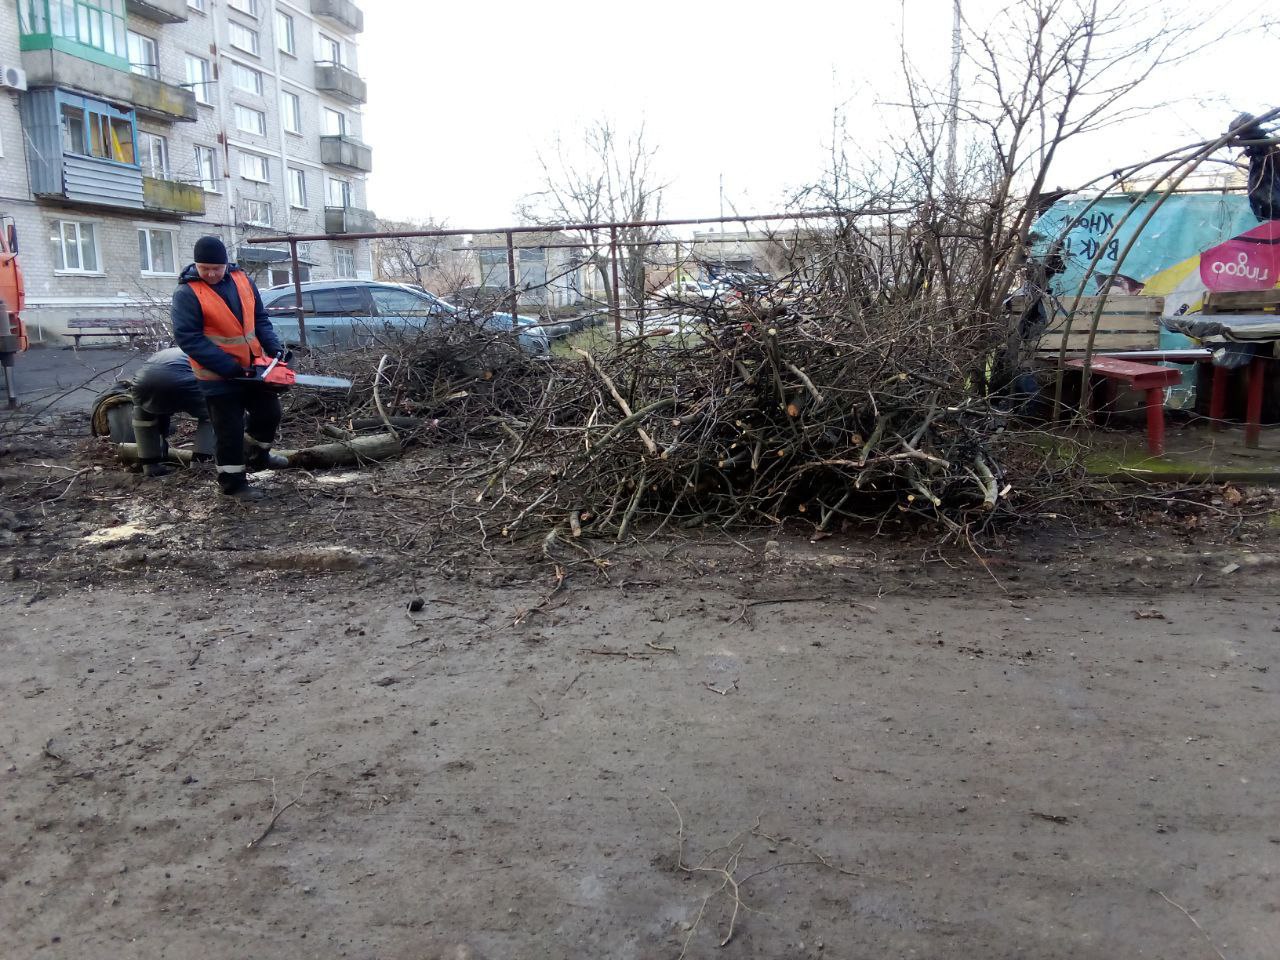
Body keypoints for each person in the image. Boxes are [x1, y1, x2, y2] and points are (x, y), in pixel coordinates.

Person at [172, 235, 287, 498]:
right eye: (205, 269)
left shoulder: (242, 280)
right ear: (196, 266)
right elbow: (189, 338)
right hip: (217, 375)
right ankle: (233, 483)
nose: (211, 274)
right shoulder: (187, 293)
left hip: (253, 368)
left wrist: (273, 347)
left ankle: (258, 455)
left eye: (216, 268)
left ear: (226, 264)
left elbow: (260, 318)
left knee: (269, 413)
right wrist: (228, 366)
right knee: (229, 429)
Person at [129, 347, 215, 477]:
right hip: (182, 381)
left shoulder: (169, 352)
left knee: (145, 416)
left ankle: (150, 465)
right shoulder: (208, 353)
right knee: (213, 415)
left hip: (142, 383)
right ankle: (200, 466)